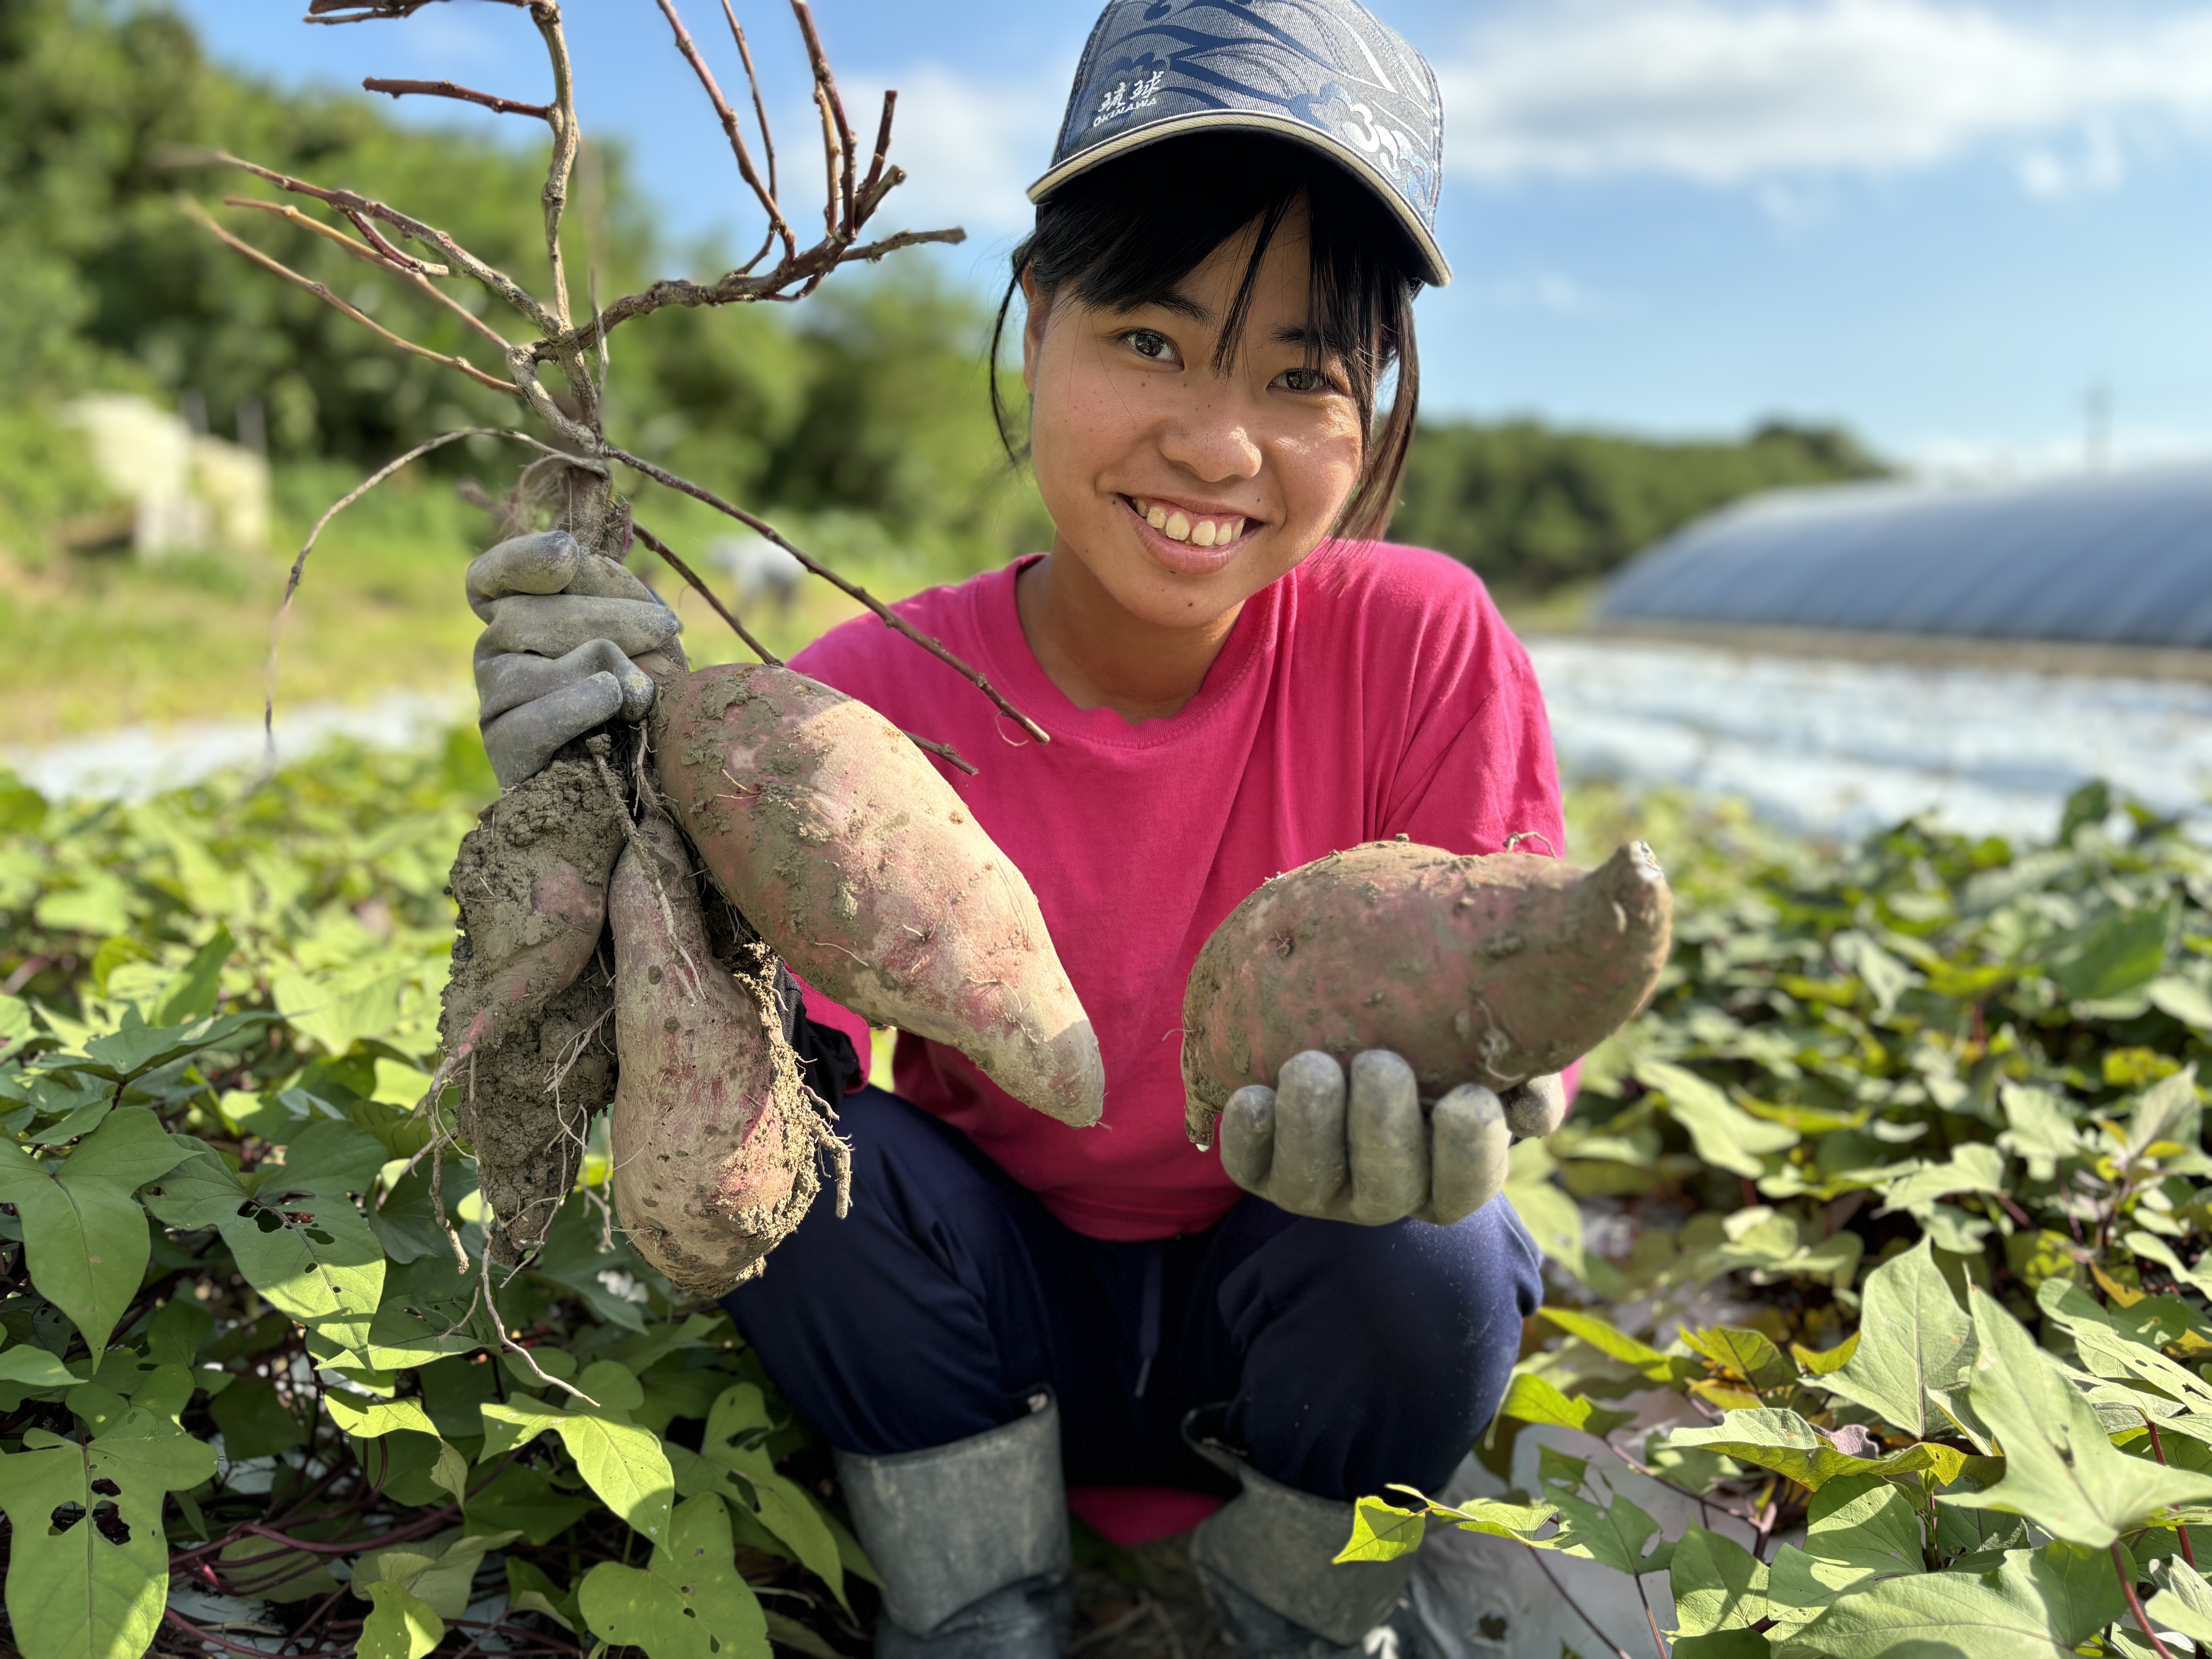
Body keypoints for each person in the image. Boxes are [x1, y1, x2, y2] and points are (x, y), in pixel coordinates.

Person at [467, 2, 1565, 1653]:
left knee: (1435, 1237)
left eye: (1299, 379)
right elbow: (766, 1080)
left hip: (1295, 1327)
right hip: (978, 1330)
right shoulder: (856, 696)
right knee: (808, 1170)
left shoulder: (1422, 643)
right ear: (1039, 312)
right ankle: (975, 1598)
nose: (1216, 441)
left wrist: (1493, 1089)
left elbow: (1504, 992)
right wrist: (626, 817)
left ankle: (1294, 1600)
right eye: (1150, 340)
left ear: (1377, 400)